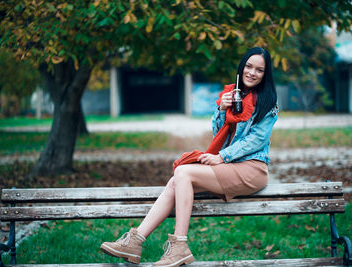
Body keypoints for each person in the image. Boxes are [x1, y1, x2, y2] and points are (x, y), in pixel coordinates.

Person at [99, 46, 279, 267]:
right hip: (230, 167)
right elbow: (219, 134)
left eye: (259, 70)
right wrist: (222, 110)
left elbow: (257, 140)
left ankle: (179, 246)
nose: (252, 73)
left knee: (183, 171)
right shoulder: (233, 96)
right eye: (248, 67)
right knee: (177, 180)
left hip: (252, 169)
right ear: (241, 68)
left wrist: (222, 157)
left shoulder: (268, 104)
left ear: (265, 74)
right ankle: (135, 241)